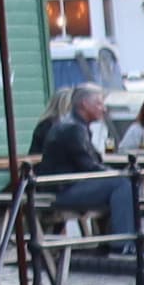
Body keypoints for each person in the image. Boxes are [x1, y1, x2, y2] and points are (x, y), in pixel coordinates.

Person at [30, 85, 122, 232]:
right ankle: (120, 243)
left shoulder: (70, 126)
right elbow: (87, 163)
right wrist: (117, 174)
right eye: (99, 103)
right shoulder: (71, 128)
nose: (103, 108)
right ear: (83, 104)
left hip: (56, 185)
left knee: (116, 186)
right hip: (60, 188)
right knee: (121, 184)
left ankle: (112, 241)